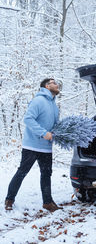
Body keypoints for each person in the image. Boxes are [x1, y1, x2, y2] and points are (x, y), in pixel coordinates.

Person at [5, 78, 63, 212]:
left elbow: (54, 124)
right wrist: (43, 133)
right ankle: (9, 199)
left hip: (46, 147)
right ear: (47, 86)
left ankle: (48, 202)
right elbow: (28, 119)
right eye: (54, 83)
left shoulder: (53, 104)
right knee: (22, 172)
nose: (57, 85)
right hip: (31, 145)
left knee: (46, 174)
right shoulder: (39, 100)